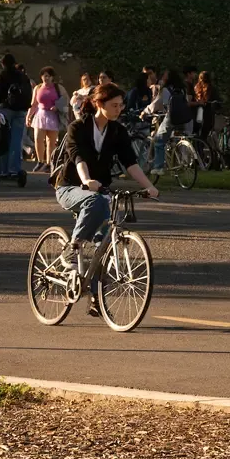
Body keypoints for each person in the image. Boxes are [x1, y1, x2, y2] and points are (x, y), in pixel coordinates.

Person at [50, 83, 158, 317]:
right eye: (114, 105)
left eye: (121, 105)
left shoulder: (117, 131)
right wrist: (87, 180)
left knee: (105, 241)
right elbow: (77, 156)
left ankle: (96, 298)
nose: (119, 109)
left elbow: (131, 163)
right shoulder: (78, 127)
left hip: (99, 189)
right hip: (70, 186)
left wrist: (149, 186)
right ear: (99, 104)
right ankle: (73, 247)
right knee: (95, 202)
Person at [141, 69, 190, 174]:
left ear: (168, 78)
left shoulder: (166, 90)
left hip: (171, 118)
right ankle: (181, 162)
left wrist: (145, 112)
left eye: (165, 75)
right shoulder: (182, 89)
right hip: (184, 118)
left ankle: (158, 167)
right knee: (176, 139)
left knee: (159, 141)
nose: (163, 77)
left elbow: (156, 104)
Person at [0, 53, 31, 178]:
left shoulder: (3, 74)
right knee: (16, 140)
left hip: (6, 110)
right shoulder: (22, 76)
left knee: (4, 139)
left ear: (3, 63)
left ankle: (3, 170)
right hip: (20, 111)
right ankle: (14, 169)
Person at [27, 67, 68, 173]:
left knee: (51, 141)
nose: (46, 78)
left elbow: (65, 99)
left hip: (53, 116)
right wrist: (28, 116)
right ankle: (40, 161)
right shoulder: (37, 88)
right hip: (40, 114)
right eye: (44, 75)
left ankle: (50, 163)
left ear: (52, 77)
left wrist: (57, 106)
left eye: (48, 76)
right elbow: (34, 104)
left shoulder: (58, 87)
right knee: (38, 139)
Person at [193, 70, 221, 140]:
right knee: (205, 132)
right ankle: (201, 146)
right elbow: (216, 100)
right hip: (207, 113)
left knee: (196, 131)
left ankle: (196, 145)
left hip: (197, 111)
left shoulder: (196, 87)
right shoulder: (211, 88)